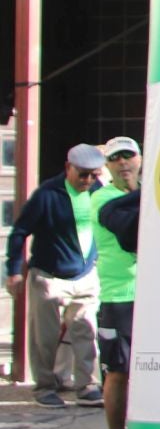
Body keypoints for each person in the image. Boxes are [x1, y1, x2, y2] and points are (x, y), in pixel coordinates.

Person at [6, 144, 105, 409]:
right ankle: (45, 387)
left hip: (85, 274)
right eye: (82, 174)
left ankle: (87, 385)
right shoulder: (47, 194)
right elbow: (19, 232)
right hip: (49, 275)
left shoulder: (98, 192)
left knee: (86, 332)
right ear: (68, 168)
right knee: (45, 337)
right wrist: (14, 270)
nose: (87, 180)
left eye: (93, 175)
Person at [91, 137, 141, 429]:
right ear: (107, 166)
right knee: (118, 373)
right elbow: (129, 233)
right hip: (119, 298)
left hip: (154, 297)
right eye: (115, 158)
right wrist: (152, 193)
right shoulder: (102, 197)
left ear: (139, 159)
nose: (122, 162)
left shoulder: (147, 192)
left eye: (128, 155)